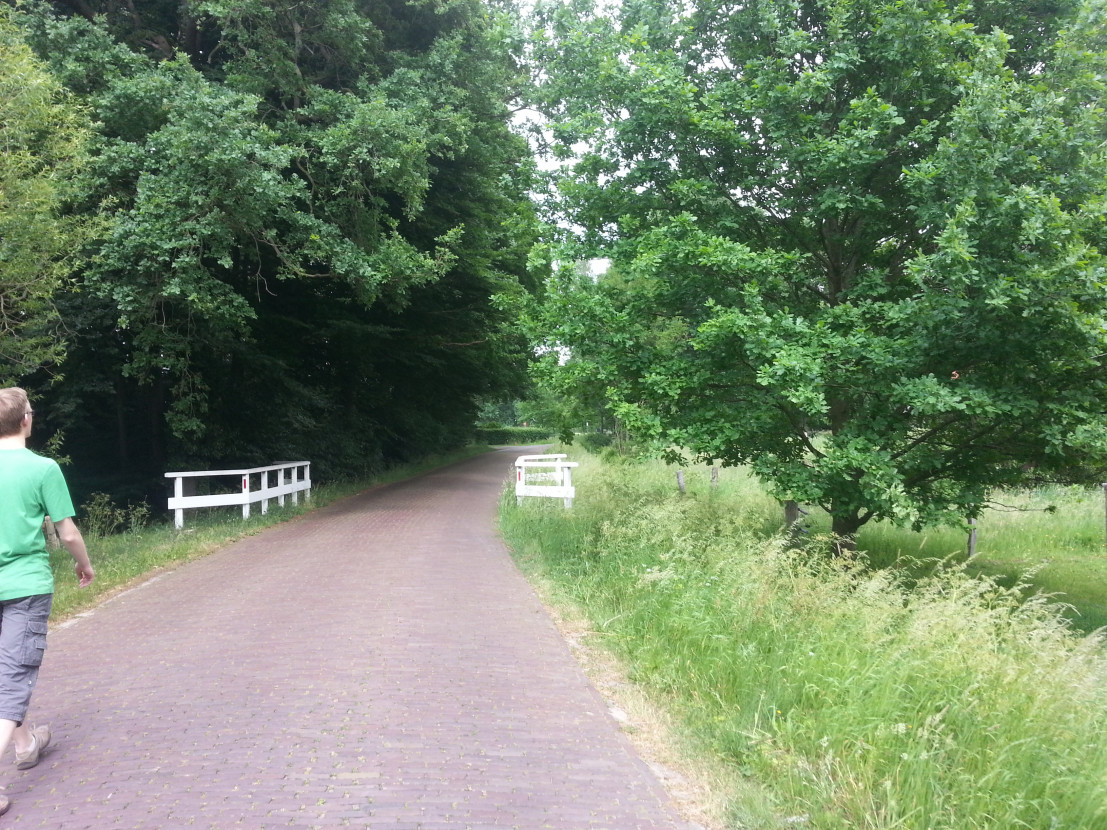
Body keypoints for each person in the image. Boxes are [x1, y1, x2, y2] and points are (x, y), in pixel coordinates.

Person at [0, 388, 94, 816]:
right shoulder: (43, 468)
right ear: (25, 421)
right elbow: (68, 532)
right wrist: (85, 567)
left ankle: (25, 745)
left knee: (6, 671)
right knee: (16, 674)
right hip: (24, 585)